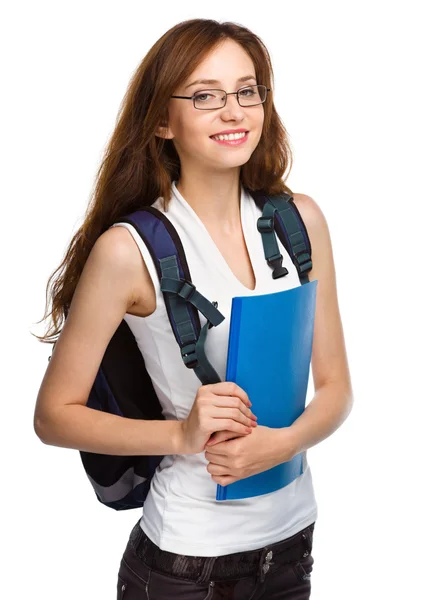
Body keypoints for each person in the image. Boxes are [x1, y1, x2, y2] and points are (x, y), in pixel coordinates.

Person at [33, 18, 353, 600]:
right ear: (162, 120)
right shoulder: (128, 251)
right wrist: (182, 435)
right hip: (185, 564)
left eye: (247, 90)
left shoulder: (299, 221)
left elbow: (335, 389)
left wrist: (282, 443)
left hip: (291, 546)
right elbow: (53, 416)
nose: (233, 111)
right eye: (205, 96)